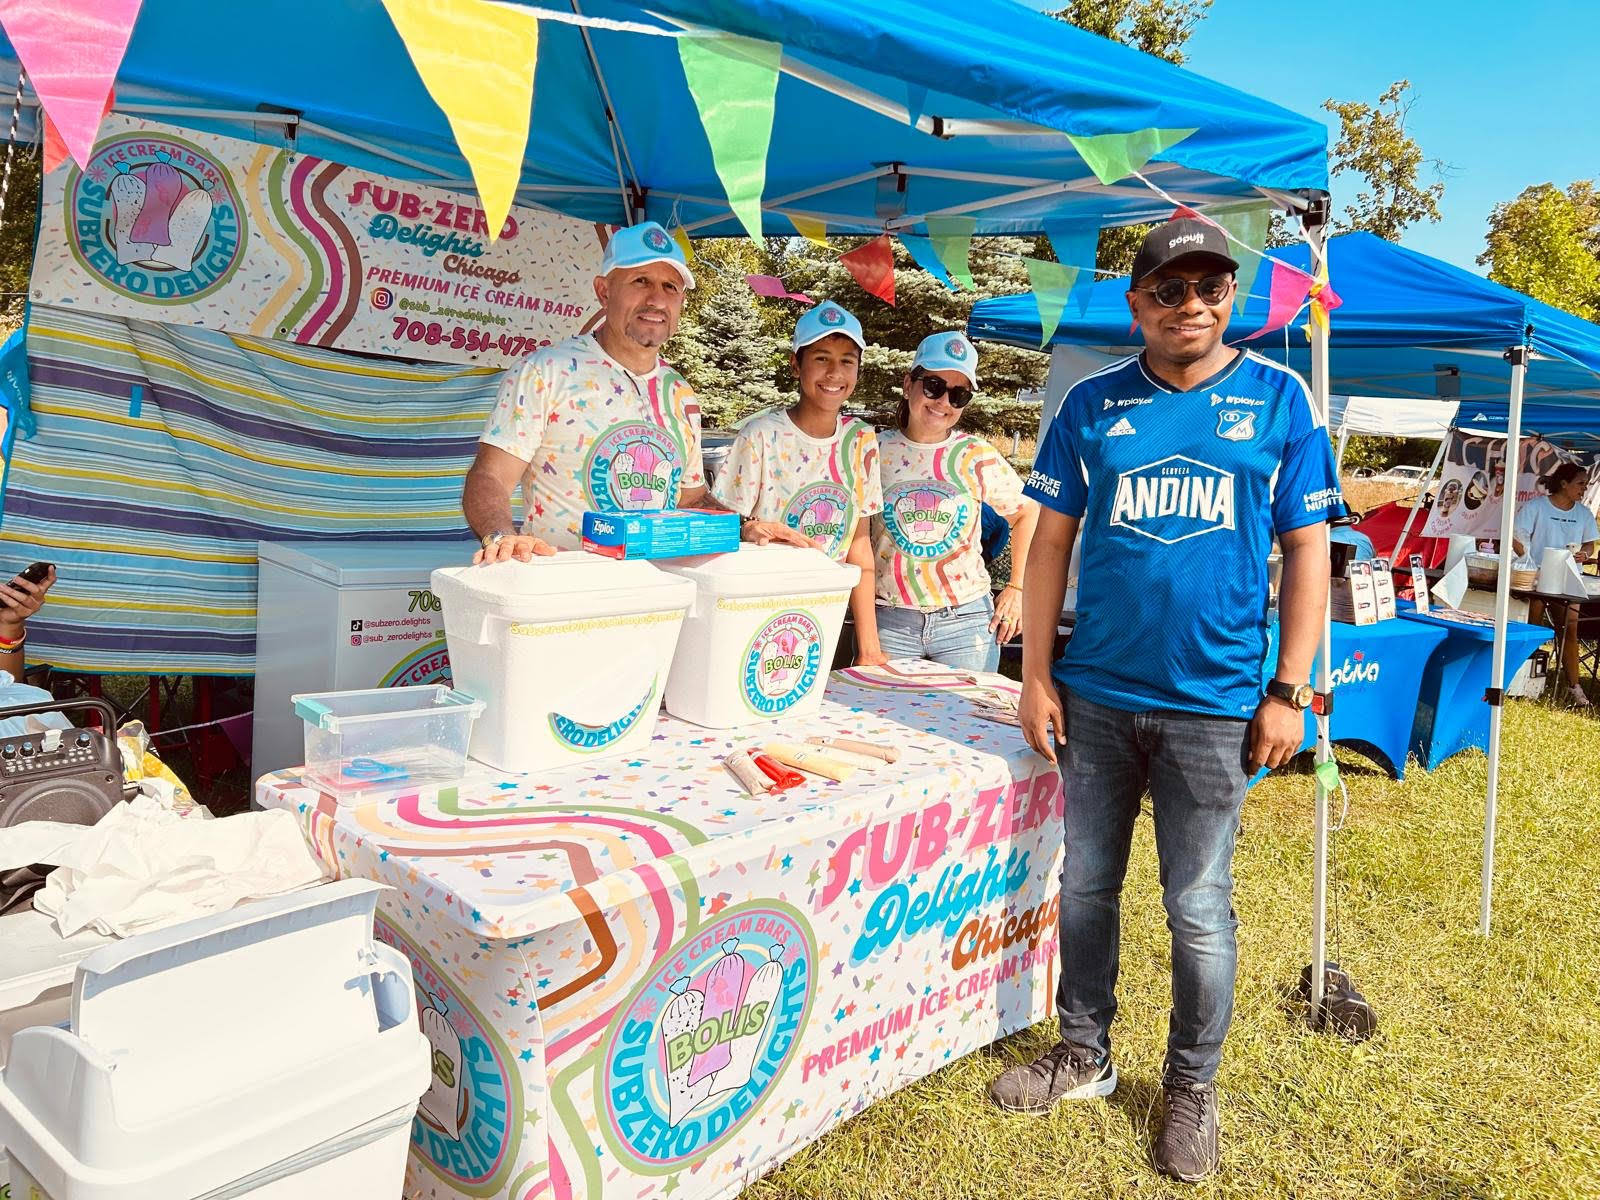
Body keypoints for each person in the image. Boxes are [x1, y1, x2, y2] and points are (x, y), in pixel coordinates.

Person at [994, 218, 1341, 1183]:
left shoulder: (1281, 398)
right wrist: (1032, 673)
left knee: (1197, 905)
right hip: (1096, 694)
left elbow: (1309, 550)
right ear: (1136, 302)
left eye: (1211, 288)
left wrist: (1287, 689)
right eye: (1170, 289)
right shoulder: (1093, 403)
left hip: (1217, 701)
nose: (1192, 304)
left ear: (1230, 298)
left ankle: (1190, 1086)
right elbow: (1051, 542)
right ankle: (1083, 1052)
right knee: (1086, 885)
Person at [462, 222, 806, 561]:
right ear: (604, 291)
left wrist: (745, 526)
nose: (657, 299)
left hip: (656, 594)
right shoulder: (546, 372)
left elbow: (690, 499)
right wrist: (501, 535)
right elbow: (490, 476)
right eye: (640, 281)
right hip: (562, 595)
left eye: (670, 287)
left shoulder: (680, 394)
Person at [712, 302, 887, 664]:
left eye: (847, 360)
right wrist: (749, 527)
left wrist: (868, 647)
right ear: (796, 364)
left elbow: (859, 544)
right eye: (821, 358)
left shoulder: (861, 440)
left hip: (827, 615)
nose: (834, 373)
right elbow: (719, 523)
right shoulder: (761, 435)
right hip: (759, 612)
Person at [872, 332, 1038, 672]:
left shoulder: (976, 455)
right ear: (908, 384)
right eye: (933, 385)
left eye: (958, 394)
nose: (944, 402)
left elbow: (1027, 512)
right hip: (890, 620)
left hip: (966, 623)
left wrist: (1018, 588)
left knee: (967, 723)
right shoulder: (872, 452)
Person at [1512, 461, 1598, 707]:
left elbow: (1590, 544)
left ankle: (1575, 688)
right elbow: (1517, 537)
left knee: (1570, 630)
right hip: (1538, 581)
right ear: (1564, 483)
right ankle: (1521, 677)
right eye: (1581, 483)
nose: (1584, 488)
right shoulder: (1537, 506)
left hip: (1569, 580)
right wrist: (1529, 563)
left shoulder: (1583, 513)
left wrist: (1584, 552)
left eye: (1586, 484)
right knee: (1533, 627)